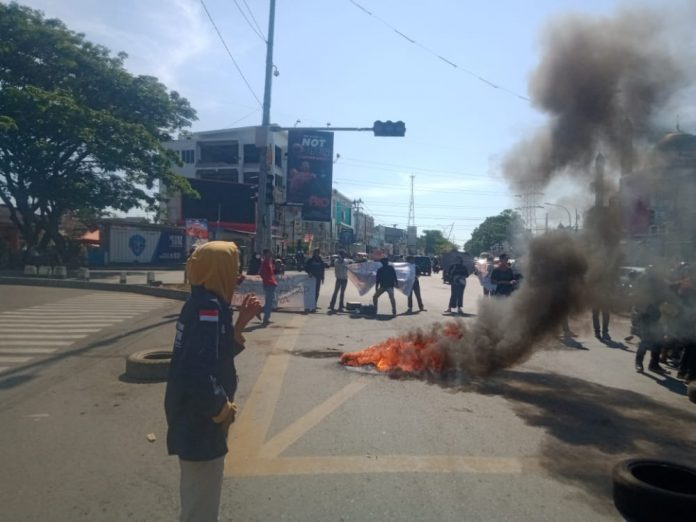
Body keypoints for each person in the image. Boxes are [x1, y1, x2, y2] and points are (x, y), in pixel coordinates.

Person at [164, 241, 262, 522]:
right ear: (218, 270)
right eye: (234, 268)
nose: (238, 276)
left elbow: (212, 354)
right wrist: (221, 408)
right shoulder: (208, 307)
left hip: (194, 416)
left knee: (199, 498)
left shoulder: (206, 303)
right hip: (200, 421)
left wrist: (241, 323)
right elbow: (197, 369)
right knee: (201, 508)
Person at [259, 249, 277, 325]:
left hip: (271, 283)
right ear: (266, 254)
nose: (271, 254)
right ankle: (265, 318)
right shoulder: (265, 262)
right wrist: (267, 280)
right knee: (269, 302)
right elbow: (261, 272)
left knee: (271, 301)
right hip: (269, 283)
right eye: (270, 253)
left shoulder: (269, 262)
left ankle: (266, 316)